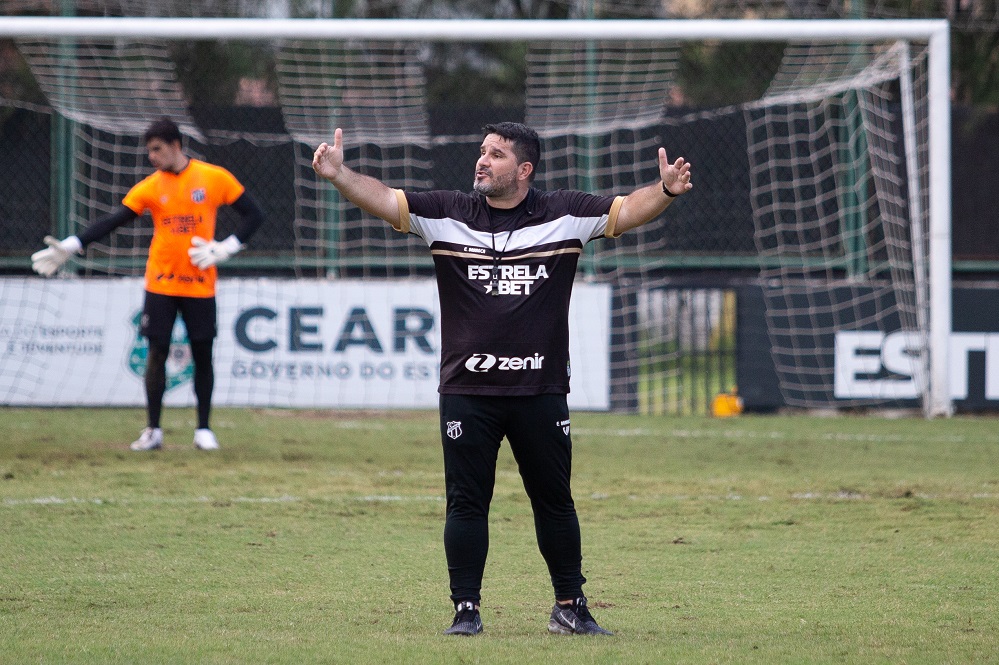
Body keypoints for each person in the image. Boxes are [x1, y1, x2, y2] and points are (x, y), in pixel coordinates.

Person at [312, 122, 691, 637]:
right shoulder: (447, 213)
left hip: (541, 391)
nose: (482, 161)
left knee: (554, 502)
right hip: (467, 392)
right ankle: (465, 610)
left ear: (524, 170)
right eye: (481, 151)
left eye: (496, 154)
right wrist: (339, 175)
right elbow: (385, 199)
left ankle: (570, 606)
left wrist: (665, 190)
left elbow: (625, 209)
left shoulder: (564, 214)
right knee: (467, 503)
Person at [31, 117, 264, 452]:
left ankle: (203, 429)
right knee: (156, 352)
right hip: (161, 284)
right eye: (149, 151)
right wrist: (71, 245)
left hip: (200, 284)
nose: (152, 156)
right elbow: (114, 221)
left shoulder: (214, 178)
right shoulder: (151, 187)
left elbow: (254, 215)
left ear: (175, 145)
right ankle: (153, 430)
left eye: (156, 149)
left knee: (203, 354)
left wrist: (227, 247)